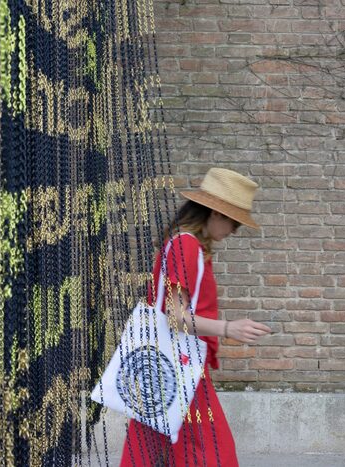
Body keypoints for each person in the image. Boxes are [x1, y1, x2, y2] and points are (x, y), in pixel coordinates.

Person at [120, 168, 272, 467]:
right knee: (213, 451)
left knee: (156, 449)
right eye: (234, 222)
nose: (234, 231)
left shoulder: (188, 245)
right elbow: (175, 317)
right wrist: (228, 328)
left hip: (170, 366)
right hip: (179, 367)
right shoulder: (186, 245)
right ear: (216, 214)